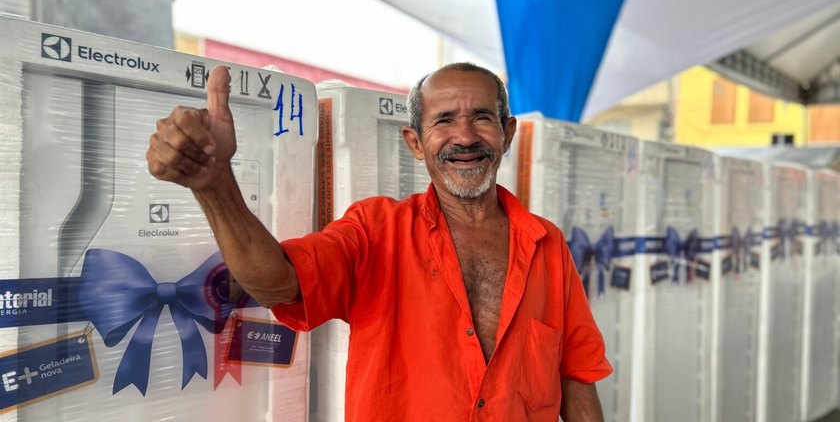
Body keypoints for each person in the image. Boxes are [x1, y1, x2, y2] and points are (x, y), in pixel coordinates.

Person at [147, 62, 611, 421]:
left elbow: (577, 375)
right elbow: (276, 284)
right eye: (444, 121)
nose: (465, 137)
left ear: (507, 133)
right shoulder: (375, 231)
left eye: (482, 118)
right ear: (415, 141)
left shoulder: (546, 244)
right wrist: (215, 185)